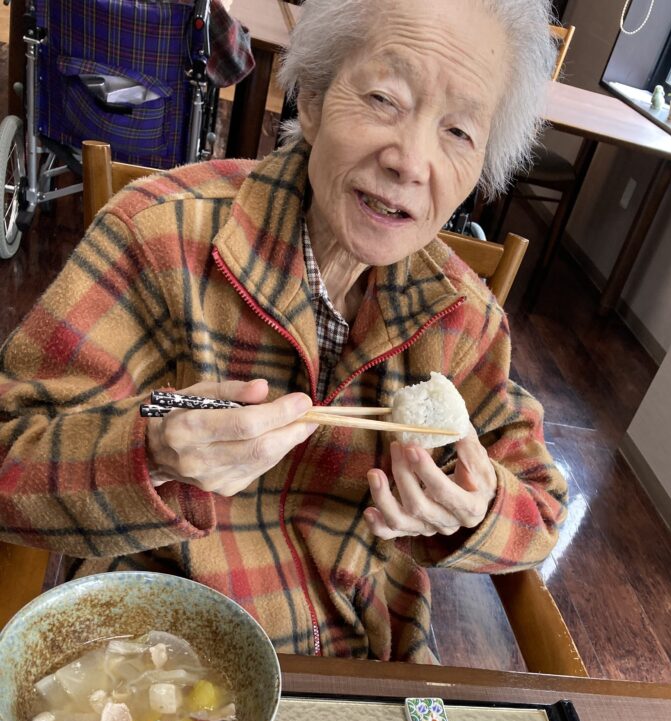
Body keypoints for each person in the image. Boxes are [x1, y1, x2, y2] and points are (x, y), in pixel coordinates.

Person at [0, 0, 567, 662]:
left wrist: (479, 504)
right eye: (384, 98)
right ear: (315, 98)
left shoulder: (463, 317)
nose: (412, 162)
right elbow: (9, 453)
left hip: (360, 666)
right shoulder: (157, 236)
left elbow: (542, 509)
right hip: (154, 643)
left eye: (459, 132)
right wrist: (150, 453)